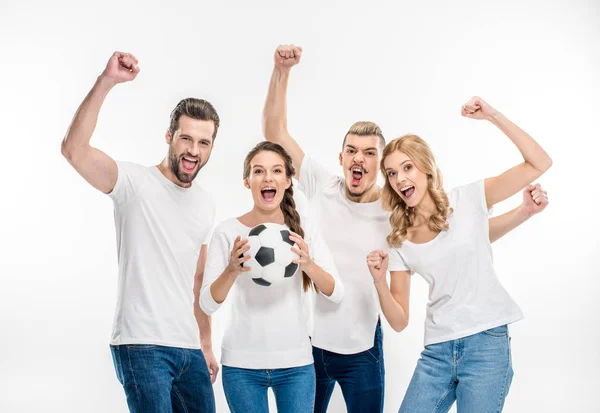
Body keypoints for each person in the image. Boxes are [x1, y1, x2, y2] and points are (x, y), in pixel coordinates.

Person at [263, 44, 549, 413]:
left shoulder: (399, 211)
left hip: (376, 345)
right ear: (341, 158)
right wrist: (281, 72)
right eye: (352, 150)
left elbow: (464, 235)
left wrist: (522, 209)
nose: (359, 159)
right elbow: (275, 131)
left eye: (370, 154)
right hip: (321, 339)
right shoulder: (331, 189)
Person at [367, 97, 552, 412]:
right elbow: (399, 321)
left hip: (486, 344)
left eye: (407, 167)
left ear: (426, 168)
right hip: (437, 351)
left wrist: (493, 116)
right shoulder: (399, 239)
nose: (400, 179)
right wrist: (379, 281)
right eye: (392, 173)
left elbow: (539, 163)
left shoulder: (467, 200)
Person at [61, 51, 220, 413]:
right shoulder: (133, 183)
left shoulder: (205, 204)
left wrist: (206, 344)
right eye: (186, 138)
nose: (193, 150)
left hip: (188, 348)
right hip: (141, 344)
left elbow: (197, 279)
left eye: (204, 142)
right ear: (169, 136)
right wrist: (107, 81)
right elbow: (74, 150)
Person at [199, 141, 343, 413]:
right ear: (247, 181)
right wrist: (231, 269)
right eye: (258, 171)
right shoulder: (228, 231)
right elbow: (208, 304)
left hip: (296, 365)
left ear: (288, 181)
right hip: (241, 366)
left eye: (277, 171)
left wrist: (308, 263)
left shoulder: (304, 230)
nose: (268, 178)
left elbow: (336, 292)